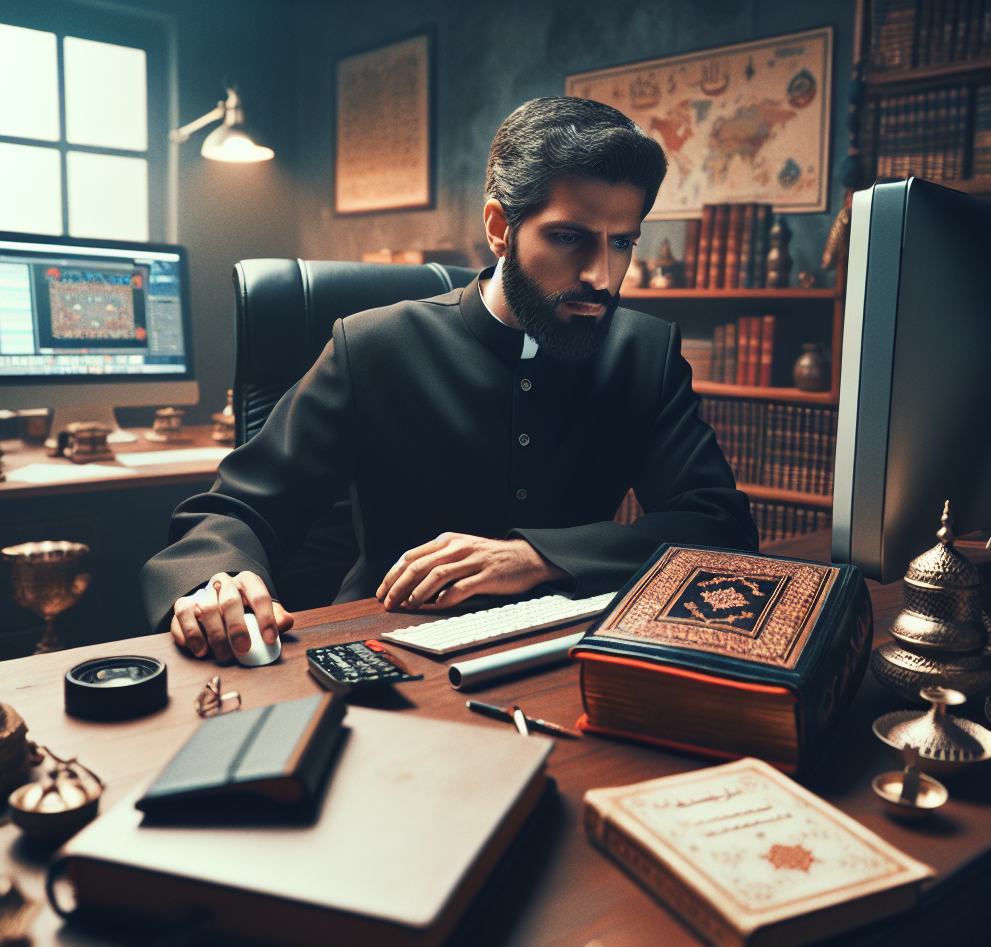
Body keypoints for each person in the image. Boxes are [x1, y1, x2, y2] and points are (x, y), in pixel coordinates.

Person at [142, 96, 758, 663]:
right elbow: (238, 509)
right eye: (570, 238)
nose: (601, 274)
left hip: (568, 652)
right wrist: (214, 584)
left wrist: (536, 557)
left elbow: (717, 526)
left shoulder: (646, 352)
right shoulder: (373, 346)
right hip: (386, 651)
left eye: (622, 242)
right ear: (500, 228)